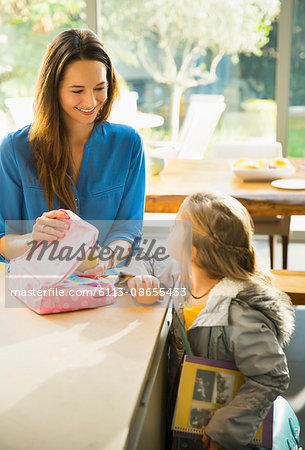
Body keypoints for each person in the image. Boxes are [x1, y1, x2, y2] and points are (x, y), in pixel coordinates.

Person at [121, 191, 295, 449]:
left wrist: (227, 427)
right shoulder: (185, 274)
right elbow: (143, 256)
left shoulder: (242, 316)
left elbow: (271, 377)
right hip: (187, 426)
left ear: (192, 252)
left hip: (221, 438)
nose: (170, 229)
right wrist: (140, 279)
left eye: (176, 227)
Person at [0, 28, 145, 270]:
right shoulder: (15, 149)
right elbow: (3, 239)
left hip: (104, 288)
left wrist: (102, 260)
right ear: (53, 89)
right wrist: (33, 239)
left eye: (100, 88)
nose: (90, 102)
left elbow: (128, 230)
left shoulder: (128, 144)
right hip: (38, 293)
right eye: (77, 91)